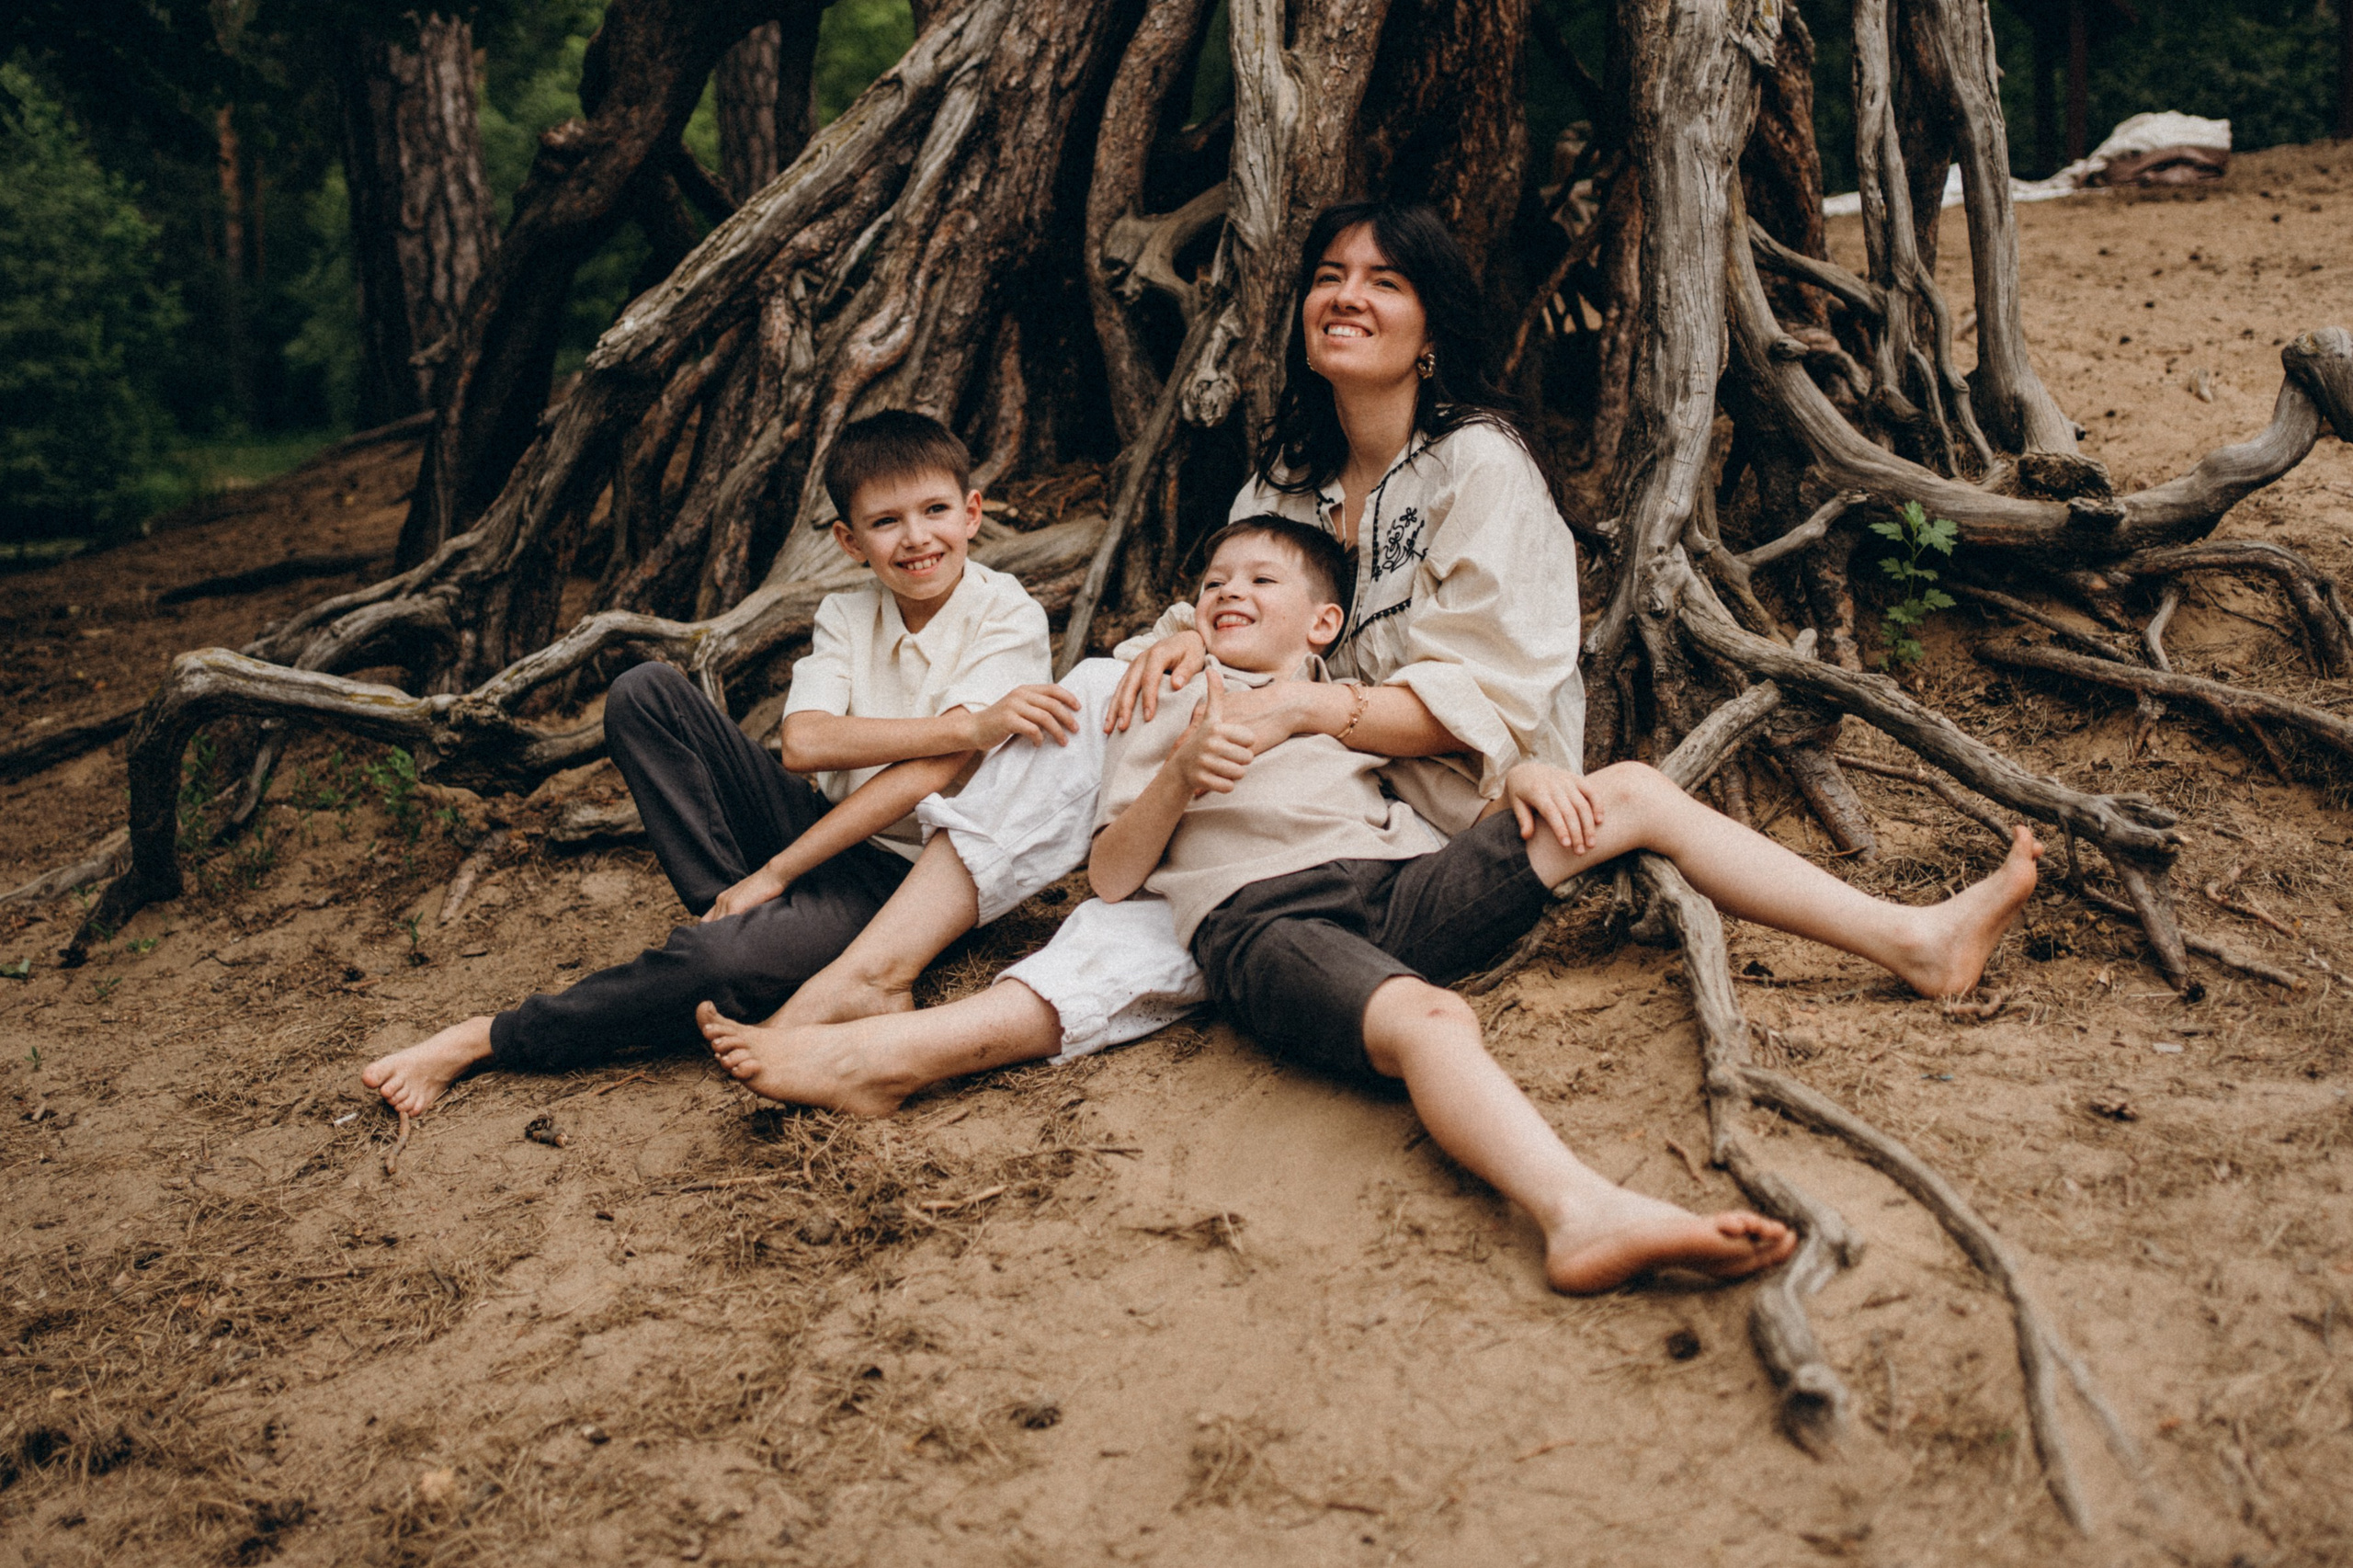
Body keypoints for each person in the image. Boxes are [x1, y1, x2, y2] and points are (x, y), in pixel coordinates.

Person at [713, 518, 2040, 1290]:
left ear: (1326, 622)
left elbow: (1461, 775)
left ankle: (1910, 936)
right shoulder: (1158, 700)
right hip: (1260, 922)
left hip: (1403, 883)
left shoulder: (1354, 707)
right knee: (1428, 1026)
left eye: (1262, 584)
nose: (1230, 595)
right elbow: (1116, 876)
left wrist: (1530, 781)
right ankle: (1577, 1209)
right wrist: (1177, 768)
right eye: (1215, 582)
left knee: (1626, 786)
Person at [693, 199, 1597, 1114]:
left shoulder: (1477, 462)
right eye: (1327, 276)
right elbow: (1232, 605)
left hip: (1440, 806)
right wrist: (1180, 638)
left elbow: (1483, 699)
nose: (1345, 297)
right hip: (1303, 774)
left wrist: (1294, 708)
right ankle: (881, 987)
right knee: (1103, 707)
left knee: (1199, 865)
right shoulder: (1293, 475)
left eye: (1383, 281)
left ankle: (902, 1034)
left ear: (1431, 324)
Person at [361, 411, 1082, 1115]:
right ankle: (743, 921)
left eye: (935, 510)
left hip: (913, 879)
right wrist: (963, 726)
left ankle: (488, 1038)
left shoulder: (1005, 612)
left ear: (973, 513)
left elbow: (926, 776)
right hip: (824, 828)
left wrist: (781, 870)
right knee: (646, 694)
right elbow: (803, 745)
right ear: (849, 539)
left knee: (716, 967)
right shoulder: (845, 613)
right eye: (886, 521)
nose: (917, 537)